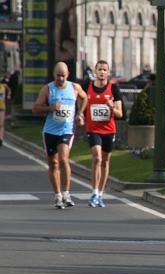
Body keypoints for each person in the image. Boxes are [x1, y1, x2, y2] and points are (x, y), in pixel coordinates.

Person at [32, 62, 87, 209]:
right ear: (53, 75)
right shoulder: (48, 89)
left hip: (67, 130)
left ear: (68, 74)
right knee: (53, 163)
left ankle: (67, 193)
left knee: (63, 159)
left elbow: (85, 97)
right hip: (50, 131)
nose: (61, 79)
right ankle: (58, 195)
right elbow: (35, 108)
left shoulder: (74, 87)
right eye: (58, 76)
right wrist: (50, 108)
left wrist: (80, 113)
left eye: (63, 76)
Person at [82, 60, 123, 208]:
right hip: (93, 129)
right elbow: (80, 101)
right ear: (95, 71)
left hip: (109, 130)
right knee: (97, 158)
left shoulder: (114, 89)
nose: (102, 72)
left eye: (105, 70)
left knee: (105, 161)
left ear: (108, 72)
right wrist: (80, 114)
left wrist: (112, 107)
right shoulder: (87, 86)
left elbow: (120, 113)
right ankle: (93, 191)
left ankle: (100, 194)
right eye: (99, 69)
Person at [0, 77, 11, 147]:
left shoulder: (4, 86)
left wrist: (8, 95)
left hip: (2, 108)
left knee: (1, 124)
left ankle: (1, 138)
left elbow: (9, 90)